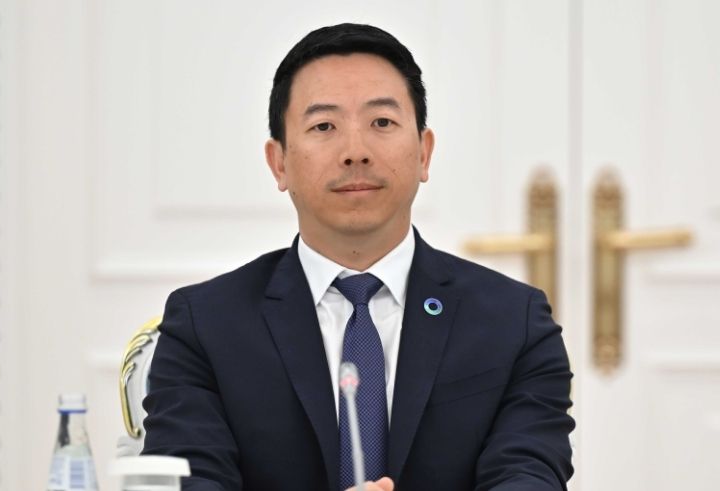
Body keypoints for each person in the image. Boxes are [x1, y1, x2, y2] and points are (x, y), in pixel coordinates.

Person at [142, 23, 574, 491]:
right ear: (279, 162)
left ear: (424, 153)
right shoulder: (205, 326)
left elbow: (528, 477)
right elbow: (190, 480)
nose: (355, 152)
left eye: (381, 122)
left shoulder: (514, 323)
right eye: (323, 126)